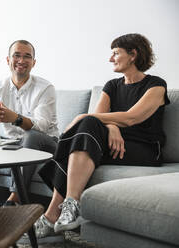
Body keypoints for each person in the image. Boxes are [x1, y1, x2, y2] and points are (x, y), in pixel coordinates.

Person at [34, 33, 170, 240]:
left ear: (133, 55)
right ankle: (70, 205)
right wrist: (112, 127)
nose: (110, 58)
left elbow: (132, 118)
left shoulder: (156, 85)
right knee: (86, 129)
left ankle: (53, 213)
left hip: (144, 148)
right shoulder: (112, 86)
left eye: (116, 53)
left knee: (84, 124)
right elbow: (97, 120)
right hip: (110, 143)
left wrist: (87, 116)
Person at [0, 40, 59, 205]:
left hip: (46, 143)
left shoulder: (45, 88)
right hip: (10, 143)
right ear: (8, 60)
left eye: (27, 56)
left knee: (31, 135)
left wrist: (15, 118)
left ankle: (15, 198)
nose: (21, 60)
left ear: (33, 62)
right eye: (16, 55)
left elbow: (41, 127)